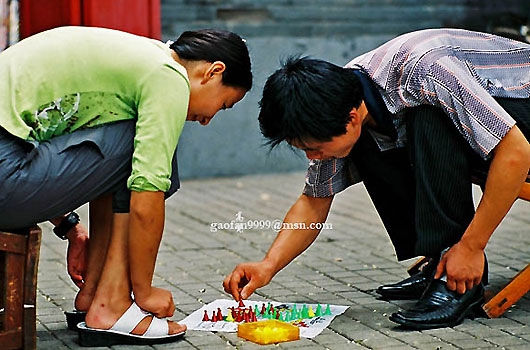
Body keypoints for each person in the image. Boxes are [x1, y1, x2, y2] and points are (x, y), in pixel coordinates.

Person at [223, 28, 530, 330]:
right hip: (499, 127)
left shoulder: (426, 72)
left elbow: (516, 151)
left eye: (313, 148)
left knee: (428, 117)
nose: (311, 157)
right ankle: (440, 261)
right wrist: (268, 266)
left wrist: (471, 247)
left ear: (350, 119)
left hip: (520, 110)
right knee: (372, 140)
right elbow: (314, 200)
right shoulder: (344, 95)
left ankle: (458, 279)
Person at [0, 26, 252, 345]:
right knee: (147, 150)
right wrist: (145, 291)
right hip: (6, 175)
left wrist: (70, 226)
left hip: (8, 172)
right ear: (213, 72)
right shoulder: (168, 76)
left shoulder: (143, 58)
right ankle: (112, 306)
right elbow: (147, 194)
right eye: (224, 104)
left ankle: (94, 293)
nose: (207, 120)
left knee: (131, 140)